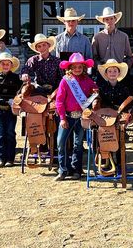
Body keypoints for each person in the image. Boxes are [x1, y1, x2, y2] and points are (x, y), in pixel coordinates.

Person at [55, 53, 98, 181]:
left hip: (81, 117)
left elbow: (95, 89)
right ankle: (63, 170)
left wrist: (95, 91)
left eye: (80, 67)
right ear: (70, 68)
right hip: (67, 116)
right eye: (74, 67)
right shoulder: (65, 81)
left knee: (78, 144)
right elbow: (59, 101)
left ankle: (77, 170)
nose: (77, 69)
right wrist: (62, 117)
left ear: (83, 68)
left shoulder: (88, 80)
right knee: (61, 143)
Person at [0, 53, 23, 167]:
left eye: (8, 64)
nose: (6, 65)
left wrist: (15, 100)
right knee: (0, 132)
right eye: (3, 63)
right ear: (0, 65)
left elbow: (20, 93)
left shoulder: (17, 79)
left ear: (11, 65)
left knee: (10, 132)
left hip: (11, 109)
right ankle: (1, 158)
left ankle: (10, 158)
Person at [91, 7, 133, 85]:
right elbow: (94, 56)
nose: (109, 21)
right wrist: (100, 68)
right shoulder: (97, 37)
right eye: (107, 19)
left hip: (120, 73)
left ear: (115, 19)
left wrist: (124, 68)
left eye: (111, 19)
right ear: (103, 21)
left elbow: (129, 56)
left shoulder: (124, 36)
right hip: (103, 73)